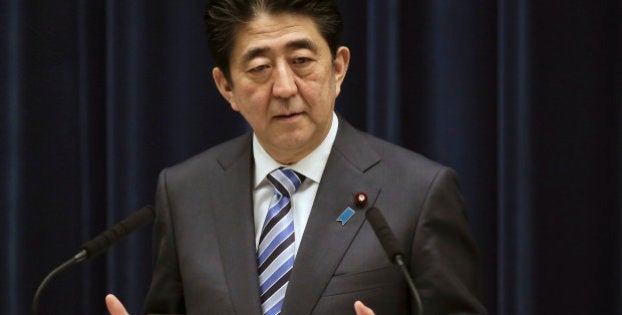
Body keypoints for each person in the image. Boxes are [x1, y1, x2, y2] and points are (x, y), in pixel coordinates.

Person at [107, 0, 486, 314]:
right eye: (259, 69)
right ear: (227, 87)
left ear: (338, 68)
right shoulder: (185, 192)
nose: (285, 87)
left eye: (302, 60)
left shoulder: (419, 193)